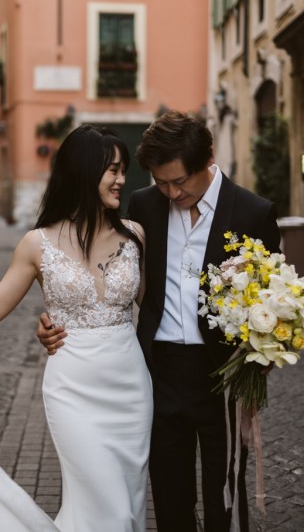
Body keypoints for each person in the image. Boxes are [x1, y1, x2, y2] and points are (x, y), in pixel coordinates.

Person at [37, 110, 281, 532]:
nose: (170, 192)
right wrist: (59, 320)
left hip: (222, 373)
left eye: (179, 181)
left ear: (207, 161)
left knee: (224, 492)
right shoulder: (143, 206)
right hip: (157, 370)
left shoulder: (252, 212)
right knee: (169, 493)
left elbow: (274, 299)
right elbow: (99, 272)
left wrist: (268, 344)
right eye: (161, 182)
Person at [0, 124, 153, 532]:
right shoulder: (37, 244)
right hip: (73, 391)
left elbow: (157, 308)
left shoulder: (136, 236)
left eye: (123, 170)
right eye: (113, 170)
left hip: (131, 391)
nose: (122, 180)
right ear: (84, 173)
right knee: (108, 505)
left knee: (127, 501)